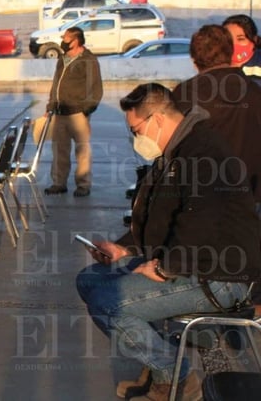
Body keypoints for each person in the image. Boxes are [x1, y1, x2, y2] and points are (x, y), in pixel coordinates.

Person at [76, 82, 261, 401]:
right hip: (188, 260)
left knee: (108, 302)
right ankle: (161, 361)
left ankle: (175, 375)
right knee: (90, 280)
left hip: (219, 275)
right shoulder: (178, 150)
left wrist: (165, 268)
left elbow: (200, 222)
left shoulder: (204, 153)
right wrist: (126, 248)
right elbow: (158, 217)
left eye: (136, 130)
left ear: (158, 119)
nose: (136, 139)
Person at [172, 24, 261, 202]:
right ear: (230, 53)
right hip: (250, 195)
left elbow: (173, 147)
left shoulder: (184, 93)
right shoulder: (254, 92)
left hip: (203, 197)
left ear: (194, 60)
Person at [44, 26, 102, 197]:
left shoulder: (88, 60)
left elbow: (96, 88)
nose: (63, 41)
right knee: (59, 150)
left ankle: (83, 184)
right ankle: (58, 182)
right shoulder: (62, 59)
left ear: (76, 40)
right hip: (60, 112)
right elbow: (56, 84)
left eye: (66, 38)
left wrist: (86, 109)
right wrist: (50, 106)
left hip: (78, 114)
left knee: (82, 150)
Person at [223, 13, 261, 81]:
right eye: (229, 38)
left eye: (241, 39)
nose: (234, 43)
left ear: (254, 39)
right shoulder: (216, 65)